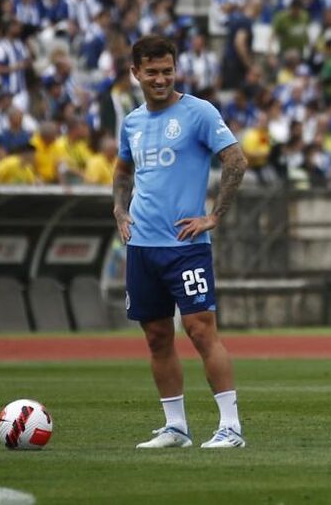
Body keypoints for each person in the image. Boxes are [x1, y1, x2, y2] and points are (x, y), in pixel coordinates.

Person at [113, 35, 248, 449]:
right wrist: (119, 209)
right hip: (142, 247)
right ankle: (176, 427)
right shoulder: (133, 122)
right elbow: (122, 170)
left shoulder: (199, 112)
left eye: (167, 70)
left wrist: (214, 217)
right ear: (135, 72)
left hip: (186, 246)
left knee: (200, 330)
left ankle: (230, 427)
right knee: (156, 336)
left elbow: (236, 160)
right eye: (151, 72)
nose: (160, 78)